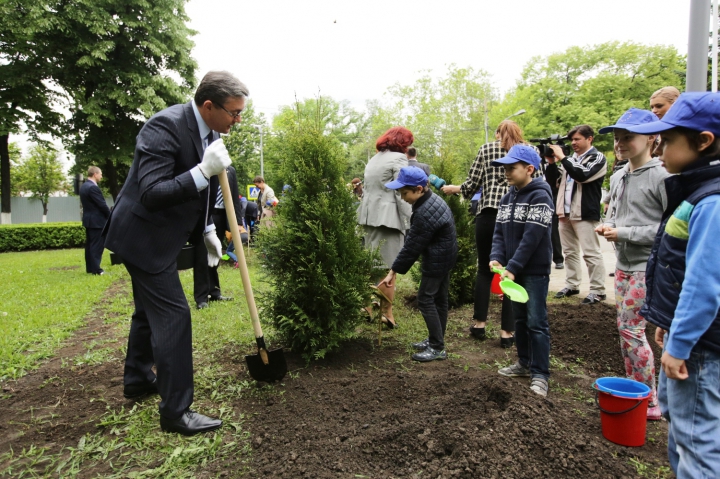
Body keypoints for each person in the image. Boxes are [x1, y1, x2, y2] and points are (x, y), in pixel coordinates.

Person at [104, 71, 249, 436]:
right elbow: (152, 191)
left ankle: (138, 379)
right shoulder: (164, 127)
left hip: (162, 236)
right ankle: (176, 412)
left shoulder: (211, 133)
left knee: (146, 313)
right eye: (234, 112)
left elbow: (200, 196)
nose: (238, 119)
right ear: (208, 106)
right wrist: (203, 171)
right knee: (173, 315)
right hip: (142, 237)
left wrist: (208, 229)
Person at [633, 92, 720, 478]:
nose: (660, 147)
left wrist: (681, 342)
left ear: (703, 141)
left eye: (668, 141)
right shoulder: (694, 191)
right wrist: (666, 321)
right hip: (687, 339)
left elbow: (703, 285)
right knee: (682, 434)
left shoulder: (712, 202)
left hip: (700, 348)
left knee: (697, 444)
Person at [596, 108, 669, 421]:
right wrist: (608, 224)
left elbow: (670, 229)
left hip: (648, 267)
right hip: (623, 265)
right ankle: (638, 391)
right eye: (617, 137)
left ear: (651, 138)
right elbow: (615, 214)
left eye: (628, 137)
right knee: (626, 330)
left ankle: (650, 401)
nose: (620, 143)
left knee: (633, 331)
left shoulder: (662, 177)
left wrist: (622, 232)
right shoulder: (618, 175)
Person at [441, 120, 530, 347]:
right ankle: (507, 332)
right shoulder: (529, 151)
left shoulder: (486, 149)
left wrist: (455, 189)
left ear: (498, 134)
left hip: (488, 215)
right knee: (511, 271)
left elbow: (472, 184)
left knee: (484, 269)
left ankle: (480, 324)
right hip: (517, 216)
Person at [490, 145, 554, 397]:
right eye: (504, 167)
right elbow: (499, 232)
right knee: (519, 320)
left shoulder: (540, 196)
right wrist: (496, 258)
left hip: (534, 271)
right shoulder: (507, 198)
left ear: (529, 169)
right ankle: (524, 363)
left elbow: (532, 237)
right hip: (511, 272)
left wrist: (514, 267)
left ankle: (540, 373)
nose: (506, 172)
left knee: (537, 322)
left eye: (511, 168)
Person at [380, 166, 457, 362]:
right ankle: (435, 340)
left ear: (419, 189)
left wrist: (393, 271)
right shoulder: (431, 200)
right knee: (439, 299)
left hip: (438, 260)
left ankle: (437, 347)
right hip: (445, 257)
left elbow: (412, 246)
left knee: (425, 299)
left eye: (404, 193)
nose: (402, 197)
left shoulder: (424, 212)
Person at [356, 126, 414, 328]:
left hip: (369, 217)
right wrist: (411, 216)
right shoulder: (398, 158)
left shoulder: (375, 158)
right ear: (402, 143)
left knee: (373, 265)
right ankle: (386, 313)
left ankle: (368, 306)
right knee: (390, 267)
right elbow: (402, 190)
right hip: (388, 220)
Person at [544, 125, 607, 304]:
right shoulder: (570, 160)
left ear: (590, 139)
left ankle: (598, 289)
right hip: (564, 212)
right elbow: (553, 182)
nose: (573, 143)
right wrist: (551, 162)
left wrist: (563, 157)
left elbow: (582, 175)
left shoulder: (597, 157)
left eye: (577, 139)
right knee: (569, 251)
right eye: (571, 140)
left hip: (585, 212)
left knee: (590, 253)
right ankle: (572, 284)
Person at [80, 166, 110, 275]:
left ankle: (90, 268)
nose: (101, 176)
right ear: (95, 174)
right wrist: (110, 216)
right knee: (96, 245)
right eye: (100, 174)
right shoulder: (93, 188)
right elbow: (101, 205)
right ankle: (97, 270)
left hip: (89, 220)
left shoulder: (84, 186)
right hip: (97, 221)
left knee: (90, 245)